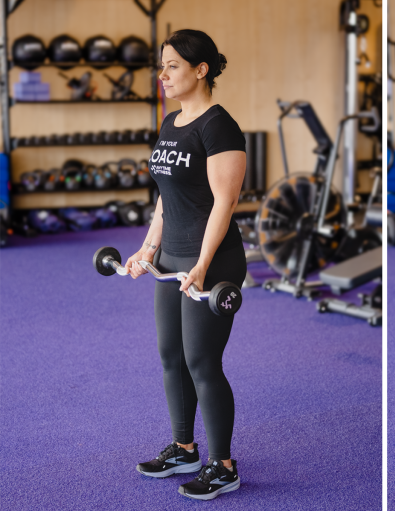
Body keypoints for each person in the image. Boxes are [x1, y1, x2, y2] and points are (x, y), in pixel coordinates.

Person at [123, 29, 247, 501]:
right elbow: (165, 197)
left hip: (211, 261)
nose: (163, 75)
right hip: (172, 257)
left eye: (172, 65)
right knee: (171, 356)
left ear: (200, 70)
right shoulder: (171, 122)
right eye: (162, 65)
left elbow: (225, 201)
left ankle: (224, 464)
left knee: (202, 361)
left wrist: (203, 263)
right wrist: (147, 248)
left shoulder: (219, 126)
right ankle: (184, 448)